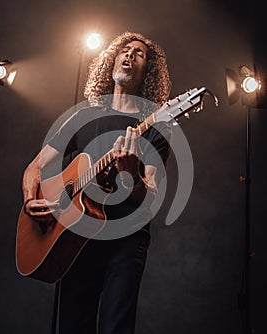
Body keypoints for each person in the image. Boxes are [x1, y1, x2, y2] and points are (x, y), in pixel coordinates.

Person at [22, 31, 172, 334]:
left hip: (126, 239)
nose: (130, 55)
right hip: (75, 235)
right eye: (125, 50)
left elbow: (151, 196)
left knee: (115, 327)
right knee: (72, 325)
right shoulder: (83, 116)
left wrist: (130, 175)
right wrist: (29, 200)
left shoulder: (156, 125)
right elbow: (35, 168)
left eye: (140, 53)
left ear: (149, 72)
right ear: (113, 59)